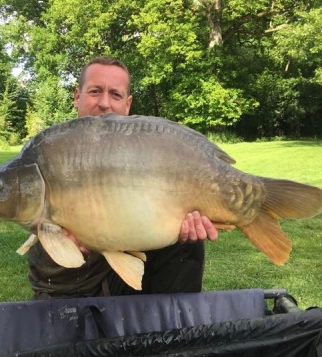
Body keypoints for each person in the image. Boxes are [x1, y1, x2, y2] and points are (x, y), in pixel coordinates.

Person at [28, 56, 218, 299]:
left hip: (127, 272)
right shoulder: (53, 149)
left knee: (186, 242)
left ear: (127, 105)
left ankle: (172, 331)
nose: (105, 103)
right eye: (95, 91)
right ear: (77, 96)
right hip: (70, 287)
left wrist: (183, 224)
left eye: (115, 95)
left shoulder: (146, 148)